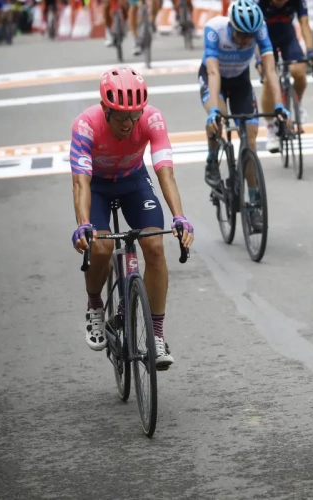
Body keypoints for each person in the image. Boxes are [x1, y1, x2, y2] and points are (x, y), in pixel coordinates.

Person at [70, 68, 195, 370]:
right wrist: (83, 224)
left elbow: (165, 170)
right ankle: (95, 305)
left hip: (133, 181)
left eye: (134, 115)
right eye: (120, 117)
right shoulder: (86, 125)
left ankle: (158, 334)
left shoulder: (151, 119)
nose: (128, 124)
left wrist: (180, 217)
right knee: (99, 247)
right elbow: (80, 183)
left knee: (154, 247)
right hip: (97, 187)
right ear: (105, 109)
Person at [199, 0, 289, 233]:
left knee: (250, 140)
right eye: (241, 35)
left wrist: (279, 105)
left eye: (250, 36)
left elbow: (270, 71)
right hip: (214, 79)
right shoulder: (214, 29)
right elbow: (212, 70)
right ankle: (211, 161)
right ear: (231, 26)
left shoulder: (260, 29)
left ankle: (254, 207)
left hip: (240, 82)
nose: (246, 41)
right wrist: (214, 111)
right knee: (218, 120)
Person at [255, 0, 313, 152]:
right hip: (266, 38)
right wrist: (259, 59)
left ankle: (297, 103)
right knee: (269, 82)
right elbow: (255, 32)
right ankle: (271, 128)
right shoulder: (259, 2)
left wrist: (310, 51)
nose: (279, 3)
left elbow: (304, 25)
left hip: (287, 36)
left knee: (299, 71)